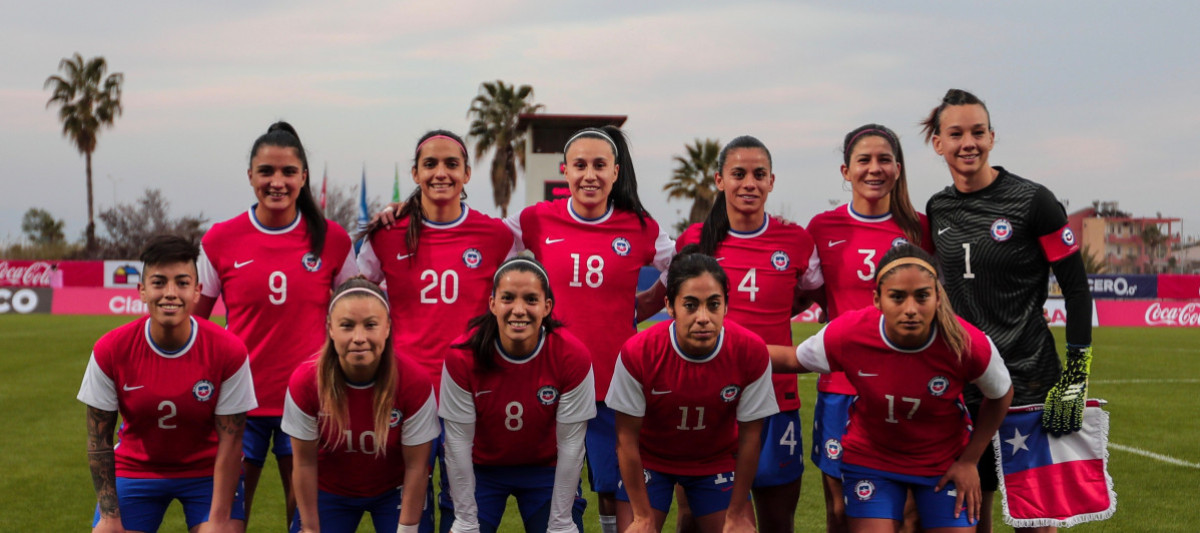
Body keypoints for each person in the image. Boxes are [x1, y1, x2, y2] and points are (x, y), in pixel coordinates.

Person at [920, 89, 1095, 533]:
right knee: (971, 514)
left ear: (993, 138)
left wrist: (1076, 377)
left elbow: (1076, 290)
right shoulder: (937, 208)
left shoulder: (1033, 201)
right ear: (938, 143)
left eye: (978, 132)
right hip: (966, 384)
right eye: (956, 133)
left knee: (1036, 520)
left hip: (1030, 380)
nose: (968, 143)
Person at [771, 244, 1014, 532]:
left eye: (922, 296)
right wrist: (725, 349)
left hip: (943, 461)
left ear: (937, 297)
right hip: (872, 459)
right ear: (877, 299)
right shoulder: (850, 332)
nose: (910, 309)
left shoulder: (966, 342)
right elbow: (790, 358)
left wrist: (970, 461)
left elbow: (1001, 395)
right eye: (897, 297)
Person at [506, 126, 674, 533]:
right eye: (580, 165)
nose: (590, 175)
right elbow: (482, 245)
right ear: (565, 170)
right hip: (550, 382)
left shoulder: (640, 226)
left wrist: (647, 303)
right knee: (556, 493)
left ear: (616, 171)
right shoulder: (535, 219)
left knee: (617, 488)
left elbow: (682, 271)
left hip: (615, 382)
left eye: (600, 165)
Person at [195, 121, 358, 528]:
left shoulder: (333, 240)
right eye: (266, 171)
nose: (277, 182)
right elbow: (194, 322)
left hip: (310, 402)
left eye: (288, 172)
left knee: (306, 522)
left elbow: (356, 320)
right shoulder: (220, 239)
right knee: (226, 523)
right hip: (238, 404)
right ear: (250, 175)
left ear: (304, 177)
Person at [361, 129, 518, 533]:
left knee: (461, 503)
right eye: (430, 164)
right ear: (415, 173)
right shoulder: (386, 234)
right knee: (407, 501)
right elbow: (356, 300)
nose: (440, 173)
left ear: (467, 174)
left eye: (452, 164)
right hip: (404, 391)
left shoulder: (497, 236)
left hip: (472, 390)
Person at [675, 135, 821, 532]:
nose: (749, 184)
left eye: (759, 174)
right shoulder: (693, 242)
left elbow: (811, 294)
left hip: (777, 397)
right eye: (738, 174)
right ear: (719, 180)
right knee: (696, 518)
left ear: (772, 181)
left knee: (776, 519)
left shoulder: (795, 240)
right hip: (707, 399)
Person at [77, 234, 257, 533]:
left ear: (197, 291)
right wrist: (110, 517)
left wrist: (218, 518)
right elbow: (99, 441)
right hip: (137, 469)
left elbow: (231, 441)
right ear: (142, 291)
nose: (170, 293)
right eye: (159, 282)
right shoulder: (111, 349)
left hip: (207, 471)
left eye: (182, 283)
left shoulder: (228, 350)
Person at [803, 124, 932, 532]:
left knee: (909, 512)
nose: (873, 169)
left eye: (883, 160)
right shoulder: (821, 228)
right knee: (841, 512)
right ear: (846, 171)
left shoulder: (921, 228)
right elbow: (802, 295)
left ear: (898, 167)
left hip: (909, 389)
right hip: (842, 388)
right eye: (864, 160)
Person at [606, 249, 776, 533]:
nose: (703, 317)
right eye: (690, 305)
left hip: (715, 461)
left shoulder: (750, 351)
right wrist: (641, 516)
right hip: (650, 460)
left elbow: (750, 439)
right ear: (670, 307)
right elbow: (626, 440)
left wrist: (736, 515)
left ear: (726, 306)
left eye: (713, 304)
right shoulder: (639, 352)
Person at [439, 257, 596, 533]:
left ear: (547, 306)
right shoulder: (462, 355)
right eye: (508, 298)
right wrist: (465, 520)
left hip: (546, 469)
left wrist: (560, 522)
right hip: (481, 469)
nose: (519, 310)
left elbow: (572, 447)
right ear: (493, 304)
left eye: (531, 300)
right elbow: (458, 443)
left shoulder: (572, 356)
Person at [282, 278, 439, 533]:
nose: (358, 338)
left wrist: (407, 531)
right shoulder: (306, 382)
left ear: (387, 327)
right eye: (346, 326)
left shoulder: (414, 382)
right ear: (330, 329)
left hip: (395, 489)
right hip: (329, 489)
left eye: (370, 325)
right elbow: (304, 463)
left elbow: (416, 468)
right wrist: (310, 528)